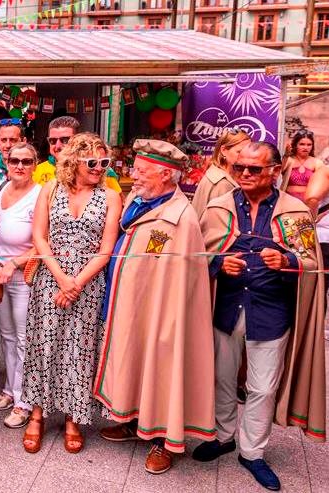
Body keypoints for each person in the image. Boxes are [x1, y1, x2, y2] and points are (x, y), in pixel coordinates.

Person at [195, 142, 325, 491]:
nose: (245, 174)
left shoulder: (294, 212)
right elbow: (197, 255)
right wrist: (219, 262)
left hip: (270, 311)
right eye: (239, 168)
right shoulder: (219, 206)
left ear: (276, 171)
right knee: (222, 378)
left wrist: (287, 262)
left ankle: (252, 452)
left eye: (254, 169)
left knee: (262, 387)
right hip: (226, 307)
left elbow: (312, 263)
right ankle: (223, 437)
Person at [94, 140, 216, 475]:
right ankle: (135, 420)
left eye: (142, 171)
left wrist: (170, 321)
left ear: (166, 175)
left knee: (164, 368)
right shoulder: (138, 199)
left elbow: (180, 281)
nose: (134, 175)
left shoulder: (182, 218)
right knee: (135, 361)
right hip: (133, 303)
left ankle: (166, 441)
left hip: (164, 314)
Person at [21, 132, 122, 455]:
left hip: (89, 283)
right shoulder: (51, 189)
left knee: (79, 349)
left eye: (104, 162)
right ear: (74, 161)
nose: (98, 168)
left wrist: (76, 282)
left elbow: (107, 249)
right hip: (51, 277)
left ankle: (73, 418)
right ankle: (36, 415)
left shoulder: (110, 196)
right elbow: (39, 236)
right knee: (43, 344)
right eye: (91, 162)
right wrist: (62, 278)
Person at [0, 143, 41, 429]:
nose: (19, 166)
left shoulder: (39, 196)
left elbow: (42, 243)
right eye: (14, 161)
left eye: (26, 161)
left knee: (23, 339)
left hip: (23, 276)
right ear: (6, 163)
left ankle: (24, 401)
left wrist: (14, 264)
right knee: (6, 336)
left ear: (35, 164)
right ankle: (10, 389)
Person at [35, 116, 122, 194]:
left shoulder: (100, 170)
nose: (58, 146)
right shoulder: (36, 171)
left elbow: (118, 204)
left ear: (79, 141)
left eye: (65, 140)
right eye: (52, 141)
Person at [191, 130, 250, 214]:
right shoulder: (222, 184)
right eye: (239, 152)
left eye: (248, 152)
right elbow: (219, 223)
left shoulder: (216, 172)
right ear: (224, 150)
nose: (246, 156)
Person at [282, 130, 323, 201]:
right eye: (302, 144)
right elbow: (279, 171)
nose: (305, 147)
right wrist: (286, 156)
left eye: (309, 145)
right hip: (287, 201)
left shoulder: (317, 163)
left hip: (308, 203)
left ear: (312, 146)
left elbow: (322, 183)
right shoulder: (288, 160)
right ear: (295, 145)